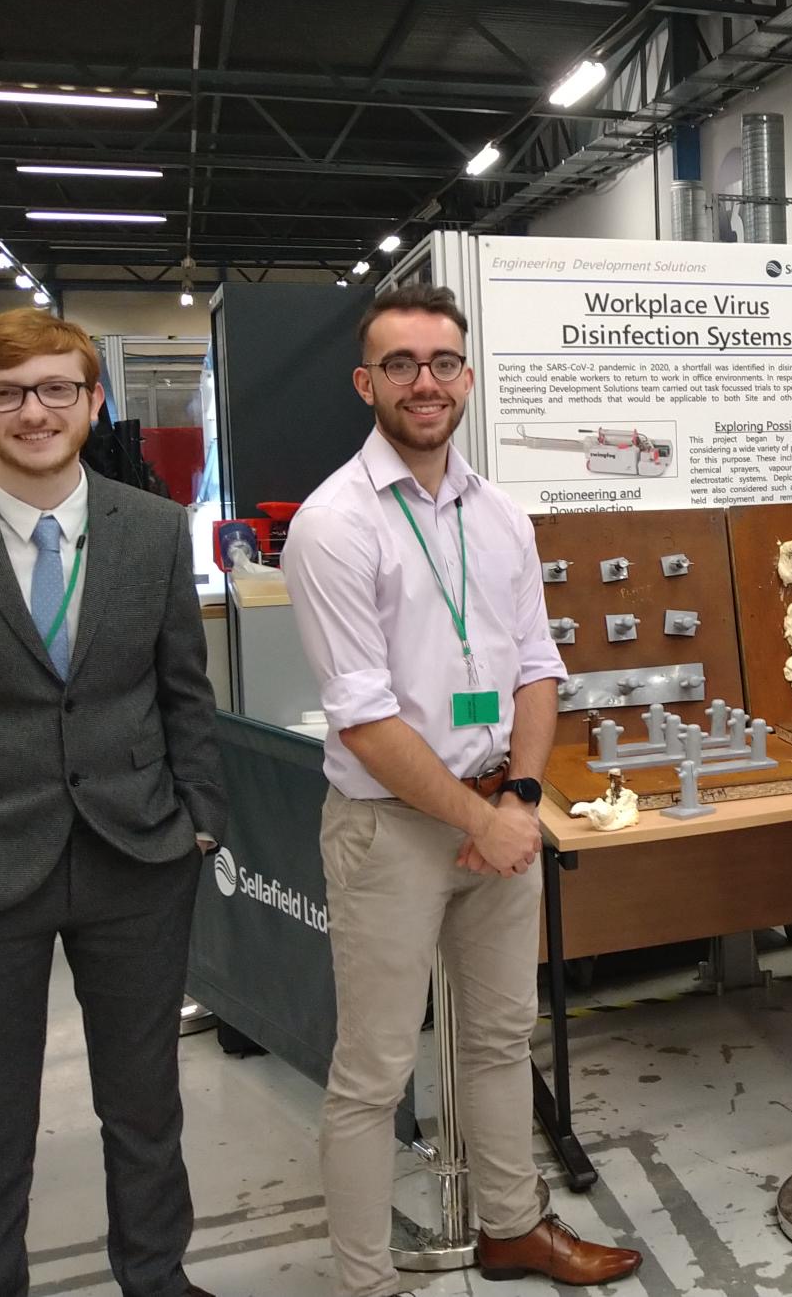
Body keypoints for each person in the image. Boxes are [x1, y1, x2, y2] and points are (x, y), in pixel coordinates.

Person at [281, 286, 641, 1297]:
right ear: (366, 384)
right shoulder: (334, 525)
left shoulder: (498, 513)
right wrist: (477, 816)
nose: (424, 381)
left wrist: (519, 800)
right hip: (391, 831)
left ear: (467, 378)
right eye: (400, 364)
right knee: (373, 1073)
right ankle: (364, 1282)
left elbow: (535, 666)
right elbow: (363, 715)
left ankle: (513, 1228)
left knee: (492, 1040)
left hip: (501, 815)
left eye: (442, 362)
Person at [0, 309, 226, 1297]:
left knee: (144, 1107)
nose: (32, 411)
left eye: (55, 389)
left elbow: (184, 691)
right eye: (7, 393)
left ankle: (156, 1282)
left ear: (93, 400)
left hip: (137, 857)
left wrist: (198, 820)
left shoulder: (155, 529)